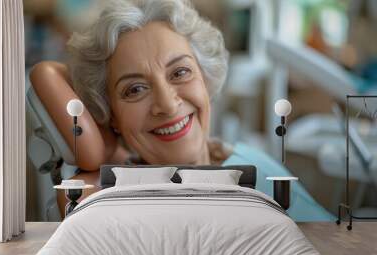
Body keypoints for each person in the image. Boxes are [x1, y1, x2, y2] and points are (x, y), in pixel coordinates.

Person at [30, 0, 334, 221]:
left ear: (206, 78)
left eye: (180, 73)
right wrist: (96, 149)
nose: (167, 103)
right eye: (135, 89)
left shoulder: (243, 155)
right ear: (112, 117)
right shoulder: (122, 203)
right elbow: (48, 75)